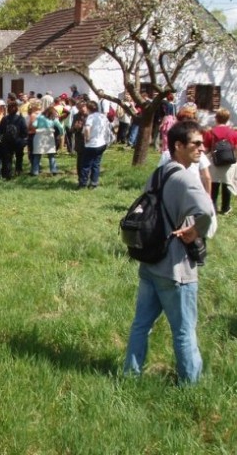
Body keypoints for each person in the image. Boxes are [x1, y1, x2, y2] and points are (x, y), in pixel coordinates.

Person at [124, 120, 214, 385]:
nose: (202, 148)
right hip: (176, 270)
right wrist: (196, 231)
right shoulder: (186, 178)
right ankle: (191, 385)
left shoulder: (158, 173)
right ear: (178, 146)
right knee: (184, 330)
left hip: (150, 263)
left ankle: (130, 374)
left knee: (141, 324)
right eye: (196, 143)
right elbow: (207, 211)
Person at [203, 108, 237, 215]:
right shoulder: (233, 133)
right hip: (228, 161)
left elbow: (207, 148)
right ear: (228, 119)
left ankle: (212, 206)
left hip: (214, 161)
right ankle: (225, 207)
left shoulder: (210, 132)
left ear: (216, 118)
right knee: (226, 183)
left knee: (213, 184)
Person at [79, 100, 110, 189]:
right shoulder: (102, 116)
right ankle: (94, 183)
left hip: (92, 144)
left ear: (88, 109)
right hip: (101, 143)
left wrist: (87, 138)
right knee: (96, 164)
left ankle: (83, 183)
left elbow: (87, 128)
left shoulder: (91, 117)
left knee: (86, 164)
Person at [0, 101, 28, 179]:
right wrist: (23, 138)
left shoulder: (4, 119)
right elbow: (25, 130)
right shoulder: (21, 119)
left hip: (7, 141)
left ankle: (7, 173)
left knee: (7, 158)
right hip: (18, 141)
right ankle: (18, 170)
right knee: (19, 156)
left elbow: (1, 130)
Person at [31, 107, 61, 176]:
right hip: (49, 136)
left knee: (37, 155)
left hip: (39, 136)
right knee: (51, 155)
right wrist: (61, 134)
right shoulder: (54, 119)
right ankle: (54, 170)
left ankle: (35, 171)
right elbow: (60, 127)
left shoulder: (39, 117)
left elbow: (34, 125)